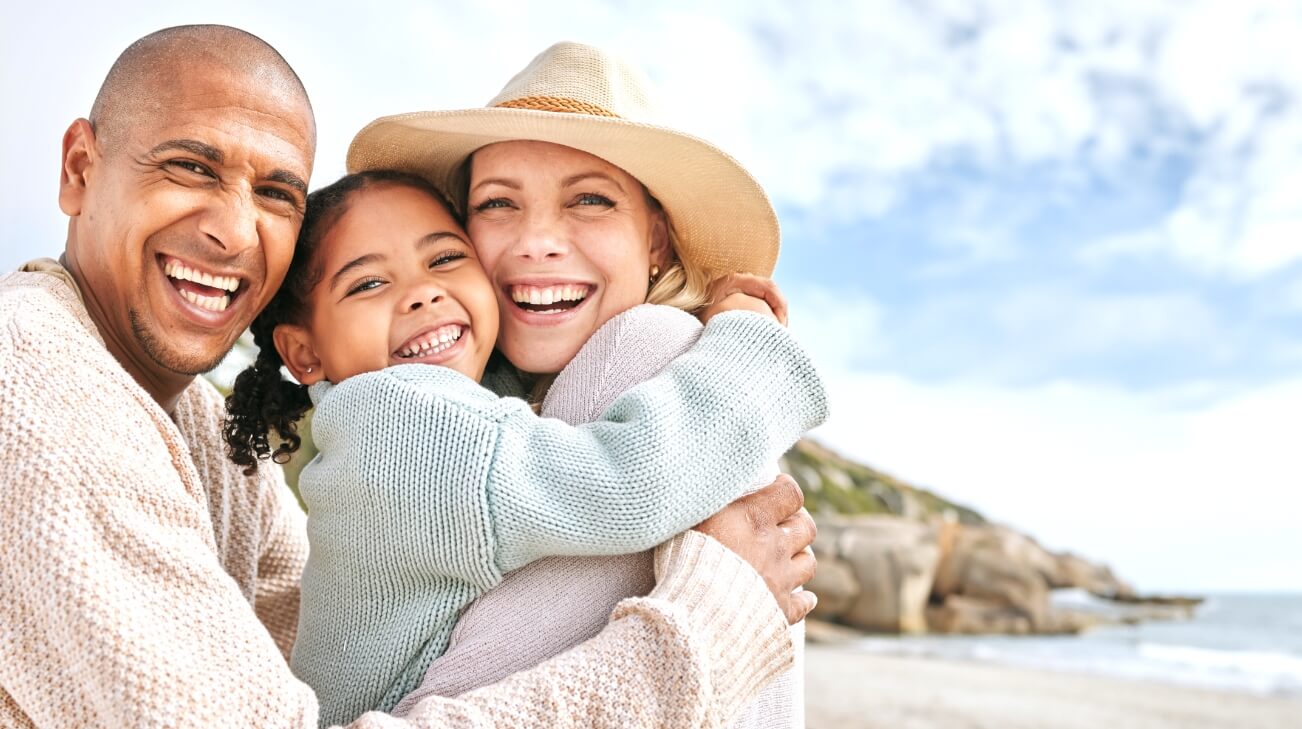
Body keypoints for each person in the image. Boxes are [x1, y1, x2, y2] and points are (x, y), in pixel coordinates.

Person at [0, 24, 818, 728]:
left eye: (279, 193)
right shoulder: (36, 378)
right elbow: (625, 481)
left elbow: (292, 635)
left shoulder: (207, 436)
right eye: (190, 167)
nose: (232, 231)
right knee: (654, 348)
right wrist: (709, 629)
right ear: (78, 168)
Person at [223, 166, 826, 725]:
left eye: (446, 258)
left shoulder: (467, 397)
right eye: (370, 283)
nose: (422, 294)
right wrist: (745, 341)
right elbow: (629, 484)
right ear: (304, 353)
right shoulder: (388, 421)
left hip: (446, 678)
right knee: (661, 348)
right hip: (410, 707)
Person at [354, 42, 809, 729]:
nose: (537, 239)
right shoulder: (455, 402)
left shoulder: (651, 351)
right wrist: (749, 345)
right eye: (498, 203)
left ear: (656, 240)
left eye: (590, 199)